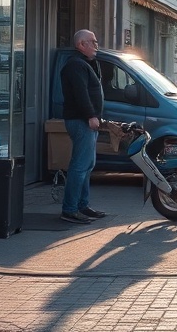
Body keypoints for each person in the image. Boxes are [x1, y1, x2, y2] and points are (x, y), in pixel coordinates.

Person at [60, 29, 107, 225]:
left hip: (86, 121)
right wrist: (90, 115)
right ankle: (70, 209)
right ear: (81, 45)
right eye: (93, 42)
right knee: (80, 166)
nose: (97, 45)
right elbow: (81, 94)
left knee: (87, 166)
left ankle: (82, 205)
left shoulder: (84, 63)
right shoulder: (75, 65)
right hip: (81, 121)